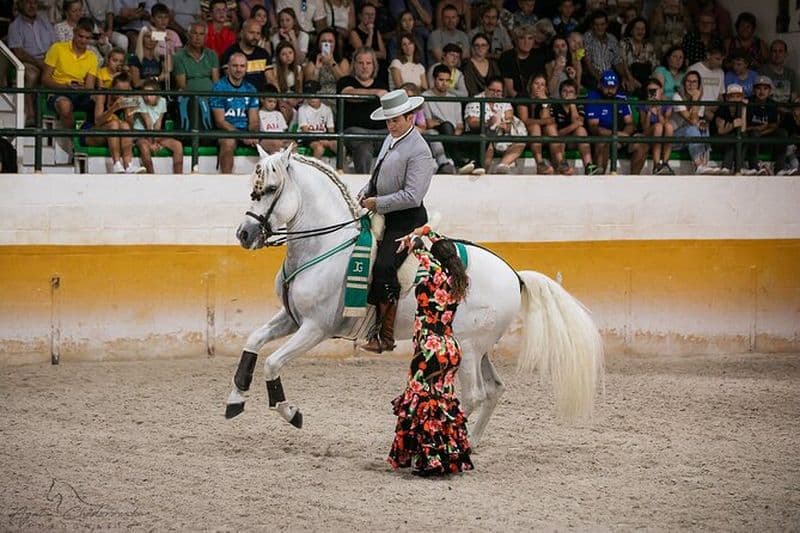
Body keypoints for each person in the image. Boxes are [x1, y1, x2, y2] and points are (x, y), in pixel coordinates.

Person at [388, 225, 473, 477]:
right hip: (450, 347)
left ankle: (428, 460)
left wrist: (413, 238)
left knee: (421, 401)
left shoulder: (433, 272)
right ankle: (446, 457)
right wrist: (425, 230)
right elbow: (438, 245)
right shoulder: (459, 279)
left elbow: (418, 249)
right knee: (443, 403)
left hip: (429, 347)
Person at [357, 89, 435, 354]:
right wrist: (366, 191)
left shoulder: (420, 151)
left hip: (406, 221)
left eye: (395, 120)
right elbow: (377, 175)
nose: (391, 125)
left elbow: (413, 196)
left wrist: (377, 203)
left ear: (410, 117)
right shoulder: (391, 140)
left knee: (384, 265)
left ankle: (385, 335)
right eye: (388, 121)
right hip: (385, 214)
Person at [42, 17, 98, 131]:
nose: (83, 41)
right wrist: (65, 87)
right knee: (65, 105)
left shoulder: (92, 57)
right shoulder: (57, 48)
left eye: (87, 38)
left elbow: (89, 88)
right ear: (74, 32)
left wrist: (82, 89)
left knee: (100, 100)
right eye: (80, 36)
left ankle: (89, 136)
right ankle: (73, 140)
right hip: (58, 93)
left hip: (79, 95)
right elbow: (45, 79)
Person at [423, 64, 480, 175]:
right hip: (439, 131)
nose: (444, 83)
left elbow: (460, 125)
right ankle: (460, 161)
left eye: (447, 80)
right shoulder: (426, 96)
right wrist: (445, 125)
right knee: (447, 125)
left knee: (478, 133)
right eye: (441, 80)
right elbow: (429, 123)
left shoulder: (454, 98)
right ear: (434, 79)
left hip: (454, 134)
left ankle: (475, 163)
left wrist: (455, 133)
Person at [338, 47, 388, 173]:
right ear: (354, 65)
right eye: (360, 63)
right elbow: (348, 93)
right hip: (356, 132)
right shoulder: (345, 81)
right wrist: (376, 93)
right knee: (364, 146)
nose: (365, 66)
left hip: (382, 133)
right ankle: (364, 188)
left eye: (368, 63)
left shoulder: (382, 84)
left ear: (374, 65)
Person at [464, 75, 526, 174]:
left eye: (499, 91)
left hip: (502, 137)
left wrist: (506, 126)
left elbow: (509, 117)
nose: (496, 94)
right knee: (488, 145)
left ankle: (502, 166)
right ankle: (483, 174)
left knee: (520, 142)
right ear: (486, 88)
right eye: (492, 90)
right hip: (484, 136)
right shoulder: (475, 101)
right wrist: (488, 123)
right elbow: (472, 122)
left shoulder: (504, 102)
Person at [210, 52, 261, 173]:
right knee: (228, 143)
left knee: (275, 143)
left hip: (246, 132)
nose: (239, 69)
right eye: (235, 66)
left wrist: (253, 133)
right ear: (228, 67)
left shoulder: (251, 89)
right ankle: (227, 182)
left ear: (246, 68)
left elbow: (254, 119)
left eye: (242, 66)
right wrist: (242, 136)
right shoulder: (219, 87)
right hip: (226, 131)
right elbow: (220, 121)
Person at [8, 0, 57, 125]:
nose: (32, 6)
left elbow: (56, 45)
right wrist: (38, 62)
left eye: (34, 2)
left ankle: (55, 112)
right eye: (28, 2)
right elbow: (19, 52)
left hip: (48, 59)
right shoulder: (15, 26)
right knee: (32, 75)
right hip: (28, 61)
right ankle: (30, 114)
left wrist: (49, 59)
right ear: (20, 5)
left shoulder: (45, 22)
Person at [84, 71, 143, 173]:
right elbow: (98, 121)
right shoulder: (102, 94)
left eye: (125, 91)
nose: (121, 94)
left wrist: (130, 111)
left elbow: (130, 126)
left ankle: (128, 165)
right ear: (112, 87)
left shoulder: (126, 97)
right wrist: (114, 107)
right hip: (92, 132)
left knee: (125, 126)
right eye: (119, 90)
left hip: (112, 135)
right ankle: (116, 164)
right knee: (114, 124)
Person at [584, 69, 635, 173]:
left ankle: (635, 180)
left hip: (620, 138)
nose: (610, 90)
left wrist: (623, 136)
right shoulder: (593, 97)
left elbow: (630, 123)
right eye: (607, 87)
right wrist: (616, 135)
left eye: (613, 87)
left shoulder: (621, 98)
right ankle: (600, 179)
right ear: (600, 85)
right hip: (604, 137)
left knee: (641, 142)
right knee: (603, 141)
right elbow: (594, 127)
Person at [131, 77, 184, 173]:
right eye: (145, 94)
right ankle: (151, 176)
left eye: (151, 94)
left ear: (157, 94)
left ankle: (179, 176)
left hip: (155, 133)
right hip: (141, 134)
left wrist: (155, 141)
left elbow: (158, 123)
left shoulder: (162, 101)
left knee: (178, 145)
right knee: (144, 147)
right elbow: (147, 123)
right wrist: (151, 144)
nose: (147, 97)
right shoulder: (140, 100)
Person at [670, 70, 717, 175]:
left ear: (699, 85)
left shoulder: (700, 98)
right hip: (673, 138)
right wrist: (695, 100)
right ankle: (698, 166)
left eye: (694, 82)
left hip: (688, 138)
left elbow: (697, 122)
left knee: (704, 127)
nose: (691, 85)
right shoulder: (677, 97)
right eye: (688, 81)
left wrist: (701, 123)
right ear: (684, 83)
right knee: (692, 129)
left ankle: (704, 164)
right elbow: (693, 121)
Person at [742, 76, 788, 176]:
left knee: (782, 133)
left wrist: (761, 132)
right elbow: (743, 128)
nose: (761, 91)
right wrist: (756, 129)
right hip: (750, 138)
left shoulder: (772, 104)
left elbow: (773, 126)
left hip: (765, 136)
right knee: (754, 134)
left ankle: (779, 168)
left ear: (770, 91)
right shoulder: (748, 102)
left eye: (765, 88)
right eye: (758, 88)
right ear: (754, 90)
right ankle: (754, 167)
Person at [553, 79, 599, 175]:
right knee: (559, 140)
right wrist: (575, 125)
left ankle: (588, 165)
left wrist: (573, 105)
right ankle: (564, 167)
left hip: (572, 140)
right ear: (560, 93)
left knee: (581, 130)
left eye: (571, 92)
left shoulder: (579, 105)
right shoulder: (555, 106)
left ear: (575, 95)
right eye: (564, 91)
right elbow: (556, 133)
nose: (567, 94)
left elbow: (579, 123)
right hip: (559, 141)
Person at [631, 77, 674, 175]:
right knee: (658, 127)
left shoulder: (667, 104)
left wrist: (658, 111)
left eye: (655, 90)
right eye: (650, 91)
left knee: (669, 127)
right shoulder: (643, 104)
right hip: (647, 133)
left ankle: (665, 163)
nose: (653, 93)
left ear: (661, 90)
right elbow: (644, 127)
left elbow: (666, 123)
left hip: (662, 134)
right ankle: (656, 165)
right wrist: (649, 111)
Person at [220, 18, 271, 90]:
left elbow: (271, 80)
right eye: (251, 32)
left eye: (258, 33)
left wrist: (278, 98)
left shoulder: (263, 54)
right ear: (242, 33)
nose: (255, 37)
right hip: (238, 97)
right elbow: (231, 81)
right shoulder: (230, 53)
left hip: (261, 98)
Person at [297, 79, 336, 159]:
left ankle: (341, 170)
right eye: (309, 94)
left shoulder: (327, 109)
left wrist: (329, 140)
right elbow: (305, 131)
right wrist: (320, 140)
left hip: (323, 136)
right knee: (319, 148)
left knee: (339, 146)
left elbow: (331, 130)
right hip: (307, 138)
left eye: (314, 94)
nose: (311, 98)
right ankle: (314, 171)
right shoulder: (302, 109)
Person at [714, 83, 747, 174]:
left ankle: (737, 168)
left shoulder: (741, 108)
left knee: (742, 137)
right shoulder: (722, 109)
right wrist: (732, 125)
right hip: (718, 141)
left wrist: (743, 109)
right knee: (734, 138)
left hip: (731, 141)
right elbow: (720, 131)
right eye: (732, 96)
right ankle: (727, 167)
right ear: (727, 98)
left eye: (738, 96)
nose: (736, 99)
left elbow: (743, 130)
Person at [759, 40, 798, 105]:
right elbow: (760, 97)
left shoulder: (791, 73)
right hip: (769, 109)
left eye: (780, 51)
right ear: (770, 53)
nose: (777, 54)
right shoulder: (762, 71)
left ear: (785, 54)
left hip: (787, 110)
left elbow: (794, 96)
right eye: (774, 51)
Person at [461, 32, 500, 96]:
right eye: (477, 45)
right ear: (472, 47)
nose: (480, 48)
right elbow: (471, 88)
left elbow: (498, 84)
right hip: (474, 101)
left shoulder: (493, 64)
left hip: (493, 99)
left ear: (488, 47)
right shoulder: (467, 64)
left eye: (483, 45)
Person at [257, 85, 290, 154]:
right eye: (270, 101)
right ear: (262, 99)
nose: (272, 104)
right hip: (265, 139)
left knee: (293, 144)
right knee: (276, 144)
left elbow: (283, 130)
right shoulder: (258, 113)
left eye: (275, 102)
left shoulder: (278, 114)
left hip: (280, 138)